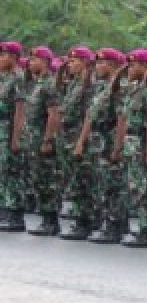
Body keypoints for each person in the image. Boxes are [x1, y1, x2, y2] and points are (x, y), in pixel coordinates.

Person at [77, 48, 127, 244]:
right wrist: (82, 141)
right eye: (97, 63)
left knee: (114, 184)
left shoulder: (120, 88)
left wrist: (117, 146)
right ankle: (106, 222)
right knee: (101, 183)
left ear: (113, 65)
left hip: (111, 136)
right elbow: (90, 115)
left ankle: (116, 225)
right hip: (97, 138)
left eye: (102, 63)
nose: (98, 66)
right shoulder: (99, 87)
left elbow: (123, 119)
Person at [116, 49, 147, 248]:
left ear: (145, 67)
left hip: (143, 142)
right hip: (133, 142)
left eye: (134, 65)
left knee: (145, 188)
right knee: (138, 186)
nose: (130, 68)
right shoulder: (134, 88)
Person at [22, 47, 62, 236]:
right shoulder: (36, 84)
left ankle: (51, 220)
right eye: (30, 59)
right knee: (38, 179)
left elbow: (53, 115)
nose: (30, 63)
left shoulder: (49, 84)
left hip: (43, 138)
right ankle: (46, 217)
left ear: (45, 62)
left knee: (47, 180)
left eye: (35, 59)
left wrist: (48, 140)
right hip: (33, 137)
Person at [57, 47, 96, 240]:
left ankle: (85, 222)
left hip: (80, 136)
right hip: (68, 135)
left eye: (74, 61)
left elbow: (89, 115)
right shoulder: (74, 83)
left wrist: (81, 141)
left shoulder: (89, 85)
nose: (70, 64)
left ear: (86, 63)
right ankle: (81, 218)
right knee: (74, 178)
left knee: (83, 180)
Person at [0, 42, 26, 231]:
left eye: (4, 55)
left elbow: (20, 110)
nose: (1, 58)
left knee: (12, 173)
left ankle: (15, 214)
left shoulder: (18, 78)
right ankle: (3, 210)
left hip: (9, 128)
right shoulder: (3, 78)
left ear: (15, 58)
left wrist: (16, 137)